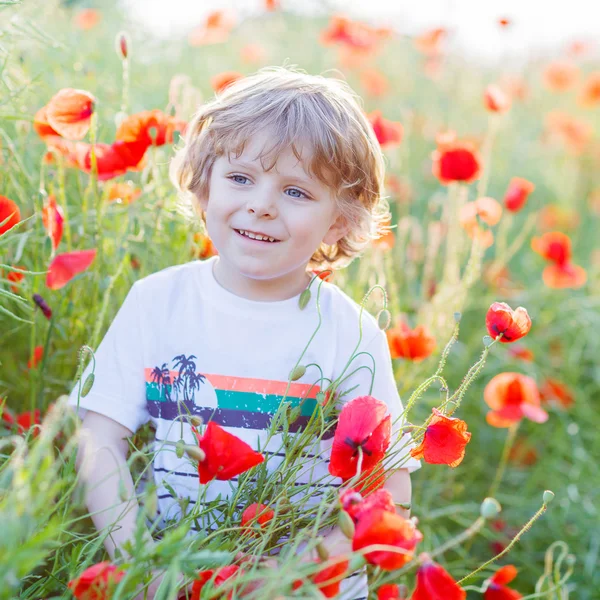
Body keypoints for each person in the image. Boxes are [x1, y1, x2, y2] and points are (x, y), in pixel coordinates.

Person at [67, 66, 421, 600]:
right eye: (240, 178)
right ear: (204, 184)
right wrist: (139, 562)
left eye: (297, 191)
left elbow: (391, 488)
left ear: (338, 221)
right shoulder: (157, 302)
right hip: (171, 576)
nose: (260, 203)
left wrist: (287, 579)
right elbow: (99, 438)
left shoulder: (351, 336)